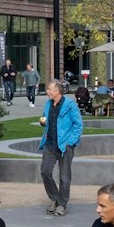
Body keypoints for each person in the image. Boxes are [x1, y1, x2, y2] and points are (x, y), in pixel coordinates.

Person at [38, 79, 83, 216]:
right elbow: (47, 120)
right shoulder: (48, 104)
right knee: (45, 172)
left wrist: (70, 142)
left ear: (57, 91)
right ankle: (55, 198)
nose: (47, 91)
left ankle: (62, 204)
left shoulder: (70, 105)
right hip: (50, 145)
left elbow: (78, 125)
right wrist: (43, 122)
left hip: (65, 147)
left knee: (64, 177)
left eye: (49, 89)